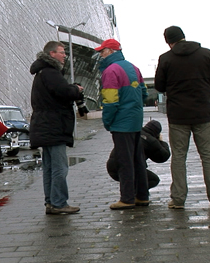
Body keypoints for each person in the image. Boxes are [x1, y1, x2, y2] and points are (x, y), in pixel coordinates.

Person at [154, 26, 210, 209]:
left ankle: (178, 199)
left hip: (178, 115)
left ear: (168, 41)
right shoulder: (206, 54)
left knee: (179, 157)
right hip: (203, 113)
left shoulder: (166, 59)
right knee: (208, 155)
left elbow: (159, 86)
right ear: (183, 37)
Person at [29, 41, 86, 215]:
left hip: (45, 125)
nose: (64, 56)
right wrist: (75, 89)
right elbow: (64, 92)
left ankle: (51, 202)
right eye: (62, 52)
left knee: (49, 167)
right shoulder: (50, 73)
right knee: (60, 167)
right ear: (52, 54)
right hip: (54, 126)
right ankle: (59, 202)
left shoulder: (41, 73)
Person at [95, 38, 149, 210]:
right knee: (138, 159)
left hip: (121, 123)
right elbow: (144, 93)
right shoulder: (134, 68)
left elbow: (110, 101)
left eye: (102, 51)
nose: (101, 55)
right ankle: (142, 196)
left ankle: (127, 198)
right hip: (135, 121)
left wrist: (107, 121)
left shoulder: (111, 71)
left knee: (124, 161)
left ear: (111, 52)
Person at [107, 120, 171, 189]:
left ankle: (130, 193)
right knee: (153, 180)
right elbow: (163, 156)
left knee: (133, 177)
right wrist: (161, 142)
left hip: (112, 167)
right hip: (128, 169)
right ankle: (136, 195)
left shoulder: (133, 131)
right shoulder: (151, 140)